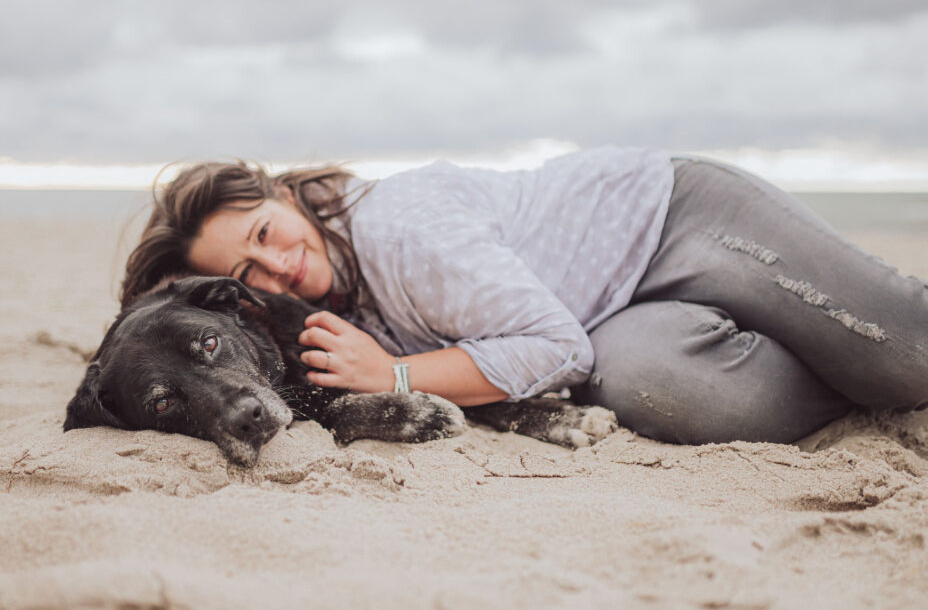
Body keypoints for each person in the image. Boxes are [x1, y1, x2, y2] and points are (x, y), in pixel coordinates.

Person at [120, 148, 928, 444]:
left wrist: (396, 376)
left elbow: (554, 349)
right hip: (611, 315)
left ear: (283, 194)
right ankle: (839, 360)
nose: (278, 270)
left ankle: (865, 350)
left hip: (675, 220)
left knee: (908, 359)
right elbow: (576, 346)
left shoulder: (401, 230)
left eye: (265, 232)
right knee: (670, 391)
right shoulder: (332, 295)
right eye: (248, 274)